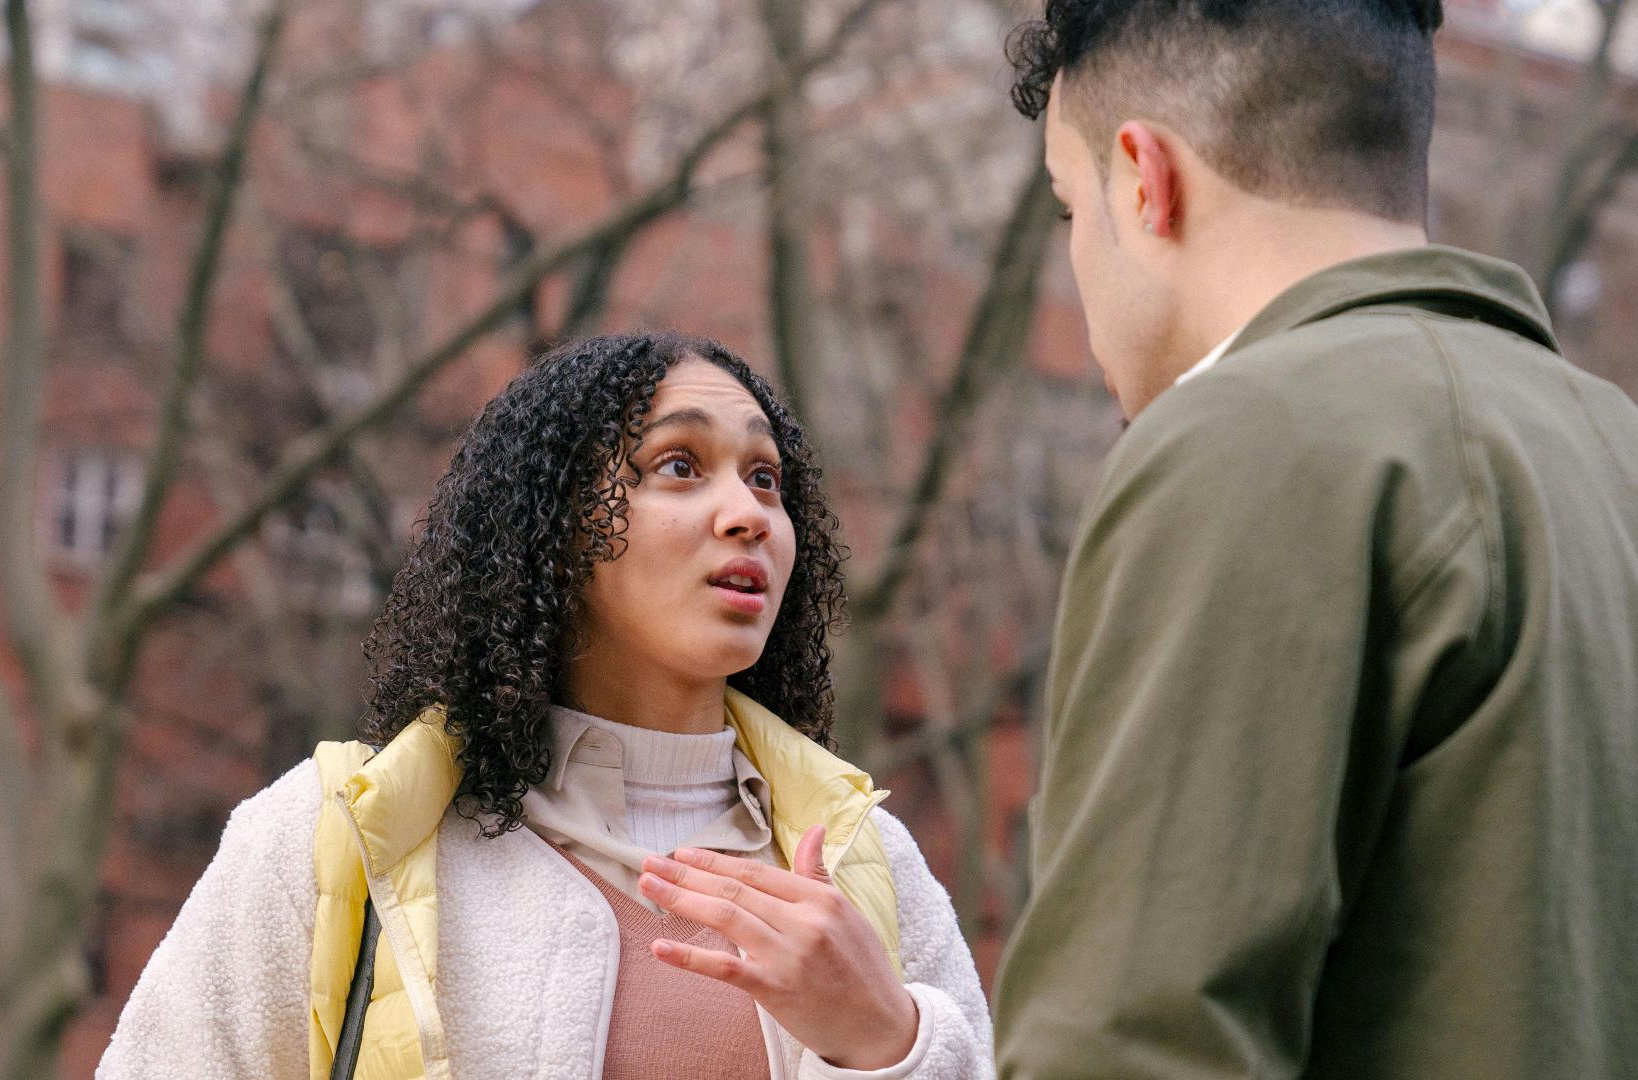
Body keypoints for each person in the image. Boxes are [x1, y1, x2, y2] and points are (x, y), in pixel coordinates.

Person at [991, 1, 1638, 1078]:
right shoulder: (1616, 447)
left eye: (1071, 209)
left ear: (1146, 180)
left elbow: (1128, 1044)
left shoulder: (1247, 438)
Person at [97, 332, 994, 1080]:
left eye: (766, 479)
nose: (748, 513)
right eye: (680, 466)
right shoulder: (339, 841)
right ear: (552, 532)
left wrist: (891, 1046)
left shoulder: (865, 863)